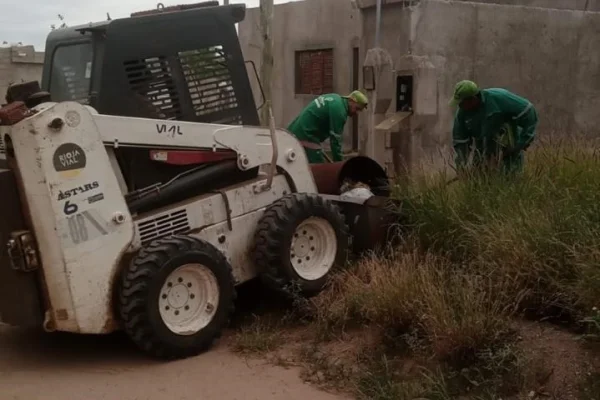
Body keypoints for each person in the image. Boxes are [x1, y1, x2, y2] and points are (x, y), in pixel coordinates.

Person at [449, 80, 538, 174]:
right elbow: (461, 142)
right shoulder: (462, 114)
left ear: (473, 99)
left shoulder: (499, 98)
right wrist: (461, 168)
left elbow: (528, 111)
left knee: (510, 180)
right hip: (482, 152)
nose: (460, 106)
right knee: (479, 183)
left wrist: (523, 142)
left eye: (462, 103)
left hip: (509, 150)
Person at [287, 90, 368, 164]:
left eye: (359, 110)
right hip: (306, 135)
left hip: (295, 130)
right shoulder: (339, 111)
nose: (357, 113)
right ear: (351, 101)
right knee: (318, 168)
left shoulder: (335, 98)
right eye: (357, 108)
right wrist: (340, 165)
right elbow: (335, 141)